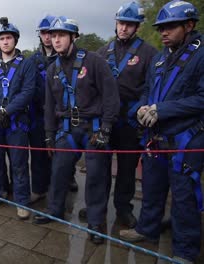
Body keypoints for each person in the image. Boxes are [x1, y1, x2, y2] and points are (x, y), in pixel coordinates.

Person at [119, 1, 203, 263]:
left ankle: (185, 251)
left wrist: (162, 109)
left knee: (183, 196)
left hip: (184, 139)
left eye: (170, 27)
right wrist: (142, 108)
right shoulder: (160, 57)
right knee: (152, 188)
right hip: (155, 137)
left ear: (189, 26)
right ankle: (147, 229)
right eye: (161, 28)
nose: (163, 33)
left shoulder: (201, 56)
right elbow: (147, 89)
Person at [33, 16, 120, 245]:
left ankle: (95, 222)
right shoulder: (53, 68)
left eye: (61, 35)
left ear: (74, 37)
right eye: (53, 35)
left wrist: (107, 128)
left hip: (93, 129)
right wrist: (49, 135)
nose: (56, 40)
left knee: (96, 176)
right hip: (66, 130)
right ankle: (54, 210)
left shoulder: (94, 62)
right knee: (59, 172)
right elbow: (49, 107)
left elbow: (111, 96)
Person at [94, 1, 158, 228]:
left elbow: (153, 86)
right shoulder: (102, 52)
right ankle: (97, 208)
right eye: (121, 23)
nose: (124, 28)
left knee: (127, 168)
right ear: (116, 23)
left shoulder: (150, 53)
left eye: (130, 25)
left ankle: (123, 208)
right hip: (105, 119)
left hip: (131, 120)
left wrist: (139, 107)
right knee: (100, 168)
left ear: (138, 26)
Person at [0, 19, 36, 220]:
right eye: (1, 38)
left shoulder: (26, 64)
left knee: (19, 163)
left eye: (8, 38)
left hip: (16, 121)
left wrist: (8, 111)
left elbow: (27, 91)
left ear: (15, 40)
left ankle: (22, 201)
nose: (5, 42)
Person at [27, 15, 57, 203]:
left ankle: (56, 191)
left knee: (59, 157)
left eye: (51, 33)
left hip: (59, 115)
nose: (47, 37)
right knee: (38, 154)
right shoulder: (32, 60)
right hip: (37, 115)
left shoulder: (64, 57)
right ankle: (38, 189)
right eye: (44, 33)